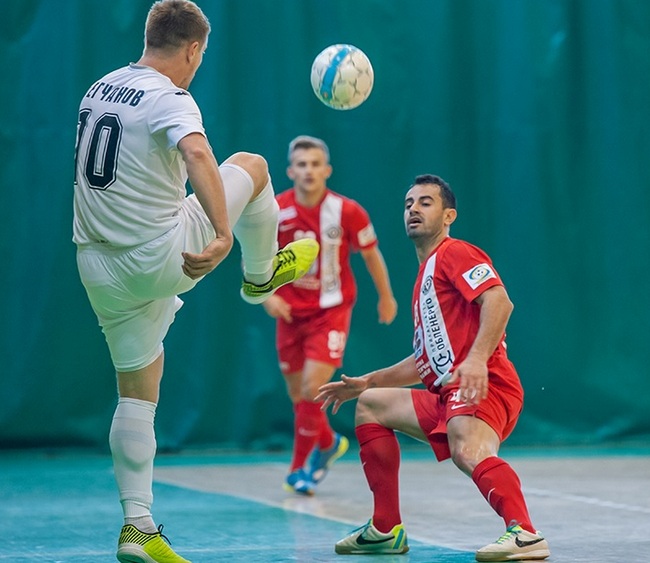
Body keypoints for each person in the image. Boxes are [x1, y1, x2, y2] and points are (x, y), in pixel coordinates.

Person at [72, 2, 318, 562]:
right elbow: (198, 150)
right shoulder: (170, 95)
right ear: (192, 50)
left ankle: (138, 527)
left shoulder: (100, 87)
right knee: (253, 165)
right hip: (160, 254)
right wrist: (225, 233)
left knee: (138, 389)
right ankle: (260, 275)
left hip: (96, 265)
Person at [316, 175, 550, 561]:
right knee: (373, 404)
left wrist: (475, 360)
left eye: (425, 203)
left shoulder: (456, 253)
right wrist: (367, 382)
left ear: (448, 216)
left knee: (466, 447)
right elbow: (426, 362)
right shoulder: (426, 275)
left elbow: (499, 302)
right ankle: (386, 529)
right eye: (408, 204)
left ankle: (525, 533)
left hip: (487, 383)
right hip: (447, 391)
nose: (413, 210)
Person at [262, 135, 397, 496]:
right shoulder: (275, 210)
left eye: (315, 164)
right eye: (301, 164)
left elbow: (371, 254)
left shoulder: (347, 211)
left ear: (327, 170)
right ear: (290, 171)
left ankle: (299, 469)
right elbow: (256, 257)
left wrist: (386, 296)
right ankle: (329, 442)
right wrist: (268, 297)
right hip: (289, 313)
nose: (308, 170)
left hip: (331, 312)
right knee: (298, 395)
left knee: (311, 388)